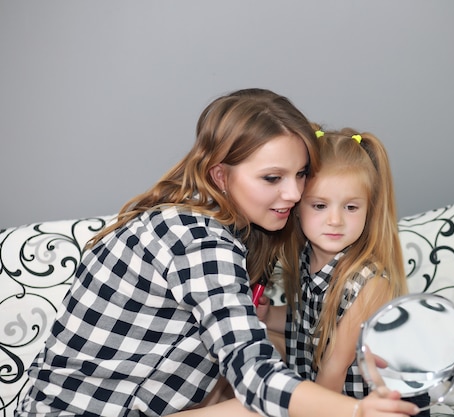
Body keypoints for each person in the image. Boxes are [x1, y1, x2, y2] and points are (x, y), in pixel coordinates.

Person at [15, 88, 418, 417]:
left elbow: (244, 341)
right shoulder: (200, 239)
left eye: (300, 175)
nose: (294, 194)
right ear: (220, 175)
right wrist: (355, 412)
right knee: (266, 402)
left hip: (126, 398)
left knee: (277, 362)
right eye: (272, 178)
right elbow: (255, 376)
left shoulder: (219, 223)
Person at [258, 126, 428, 414]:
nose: (335, 220)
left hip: (370, 406)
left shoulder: (371, 282)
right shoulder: (305, 257)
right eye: (320, 205)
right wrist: (267, 314)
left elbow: (335, 369)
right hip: (328, 392)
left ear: (368, 210)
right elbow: (306, 322)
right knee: (255, 349)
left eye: (350, 207)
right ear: (297, 206)